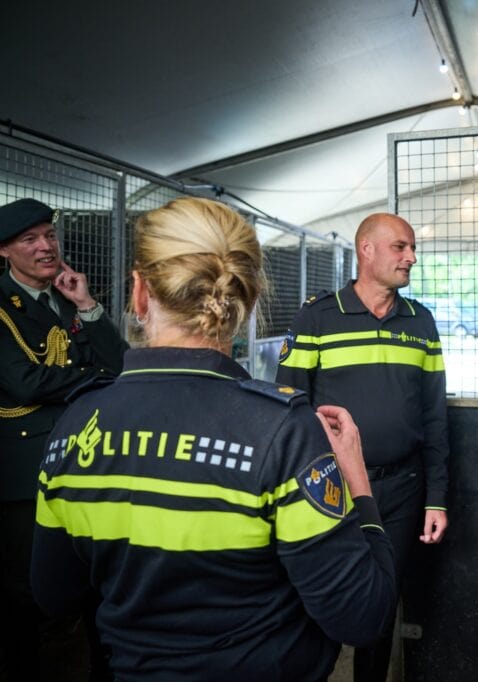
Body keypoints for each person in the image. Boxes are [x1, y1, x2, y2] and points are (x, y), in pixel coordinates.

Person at [30, 197, 397, 681]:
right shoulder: (282, 431)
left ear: (140, 293)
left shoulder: (78, 423)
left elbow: (54, 594)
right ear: (249, 300)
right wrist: (359, 488)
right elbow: (363, 617)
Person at [276, 212, 449, 682]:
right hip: (328, 490)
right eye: (400, 247)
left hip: (401, 490)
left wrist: (436, 498)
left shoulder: (421, 322)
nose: (411, 257)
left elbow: (435, 417)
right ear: (366, 250)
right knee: (319, 597)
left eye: (412, 248)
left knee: (381, 605)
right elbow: (289, 407)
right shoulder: (317, 316)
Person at [0, 197, 128, 680]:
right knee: (23, 593)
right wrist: (94, 378)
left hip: (84, 462)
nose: (45, 247)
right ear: (4, 251)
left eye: (50, 236)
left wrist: (87, 305)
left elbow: (120, 364)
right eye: (29, 239)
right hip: (24, 472)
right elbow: (24, 382)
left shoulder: (66, 297)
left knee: (94, 578)